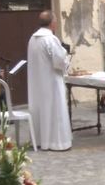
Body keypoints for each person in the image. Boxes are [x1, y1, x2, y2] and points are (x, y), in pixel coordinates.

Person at [27, 10, 71, 151]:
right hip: (51, 82)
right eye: (56, 20)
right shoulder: (50, 39)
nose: (57, 23)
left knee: (41, 109)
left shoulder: (32, 39)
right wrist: (66, 58)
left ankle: (41, 140)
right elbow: (59, 62)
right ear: (52, 23)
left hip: (37, 83)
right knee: (55, 111)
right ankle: (57, 143)